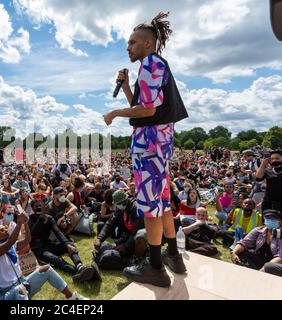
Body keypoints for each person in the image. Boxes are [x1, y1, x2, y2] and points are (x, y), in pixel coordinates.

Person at [103, 12, 188, 287]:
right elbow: (142, 108)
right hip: (158, 142)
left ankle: (155, 268)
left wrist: (115, 112)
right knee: (162, 202)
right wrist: (127, 87)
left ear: (148, 44)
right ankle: (173, 254)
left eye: (132, 43)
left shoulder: (151, 64)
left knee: (151, 207)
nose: (128, 47)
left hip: (149, 144)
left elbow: (147, 110)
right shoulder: (154, 66)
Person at [0, 212, 87, 300]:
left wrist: (25, 223)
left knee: (46, 269)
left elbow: (27, 240)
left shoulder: (12, 244)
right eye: (2, 231)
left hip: (21, 283)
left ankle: (71, 297)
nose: (6, 230)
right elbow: (10, 241)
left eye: (5, 228)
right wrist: (20, 222)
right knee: (20, 290)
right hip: (5, 294)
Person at [28, 199, 96, 282]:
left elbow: (58, 232)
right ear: (32, 208)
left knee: (71, 245)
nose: (38, 207)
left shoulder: (49, 218)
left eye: (40, 205)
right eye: (36, 206)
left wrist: (67, 244)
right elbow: (33, 232)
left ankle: (80, 266)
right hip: (39, 249)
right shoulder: (30, 219)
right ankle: (77, 272)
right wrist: (41, 217)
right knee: (56, 259)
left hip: (49, 245)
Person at [94, 191, 147, 270]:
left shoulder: (136, 209)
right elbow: (110, 223)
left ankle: (136, 260)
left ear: (124, 201)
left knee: (124, 249)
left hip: (138, 237)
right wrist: (100, 238)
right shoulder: (121, 208)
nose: (116, 206)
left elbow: (137, 231)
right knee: (109, 247)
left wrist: (125, 246)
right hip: (128, 235)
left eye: (117, 204)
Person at [231, 209, 282, 276]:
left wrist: (262, 271)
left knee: (268, 266)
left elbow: (280, 257)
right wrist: (234, 253)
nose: (269, 220)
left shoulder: (280, 235)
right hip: (260, 260)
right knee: (240, 253)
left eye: (273, 219)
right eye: (267, 218)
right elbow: (244, 243)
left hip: (275, 265)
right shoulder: (259, 230)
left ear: (280, 221)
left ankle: (254, 275)